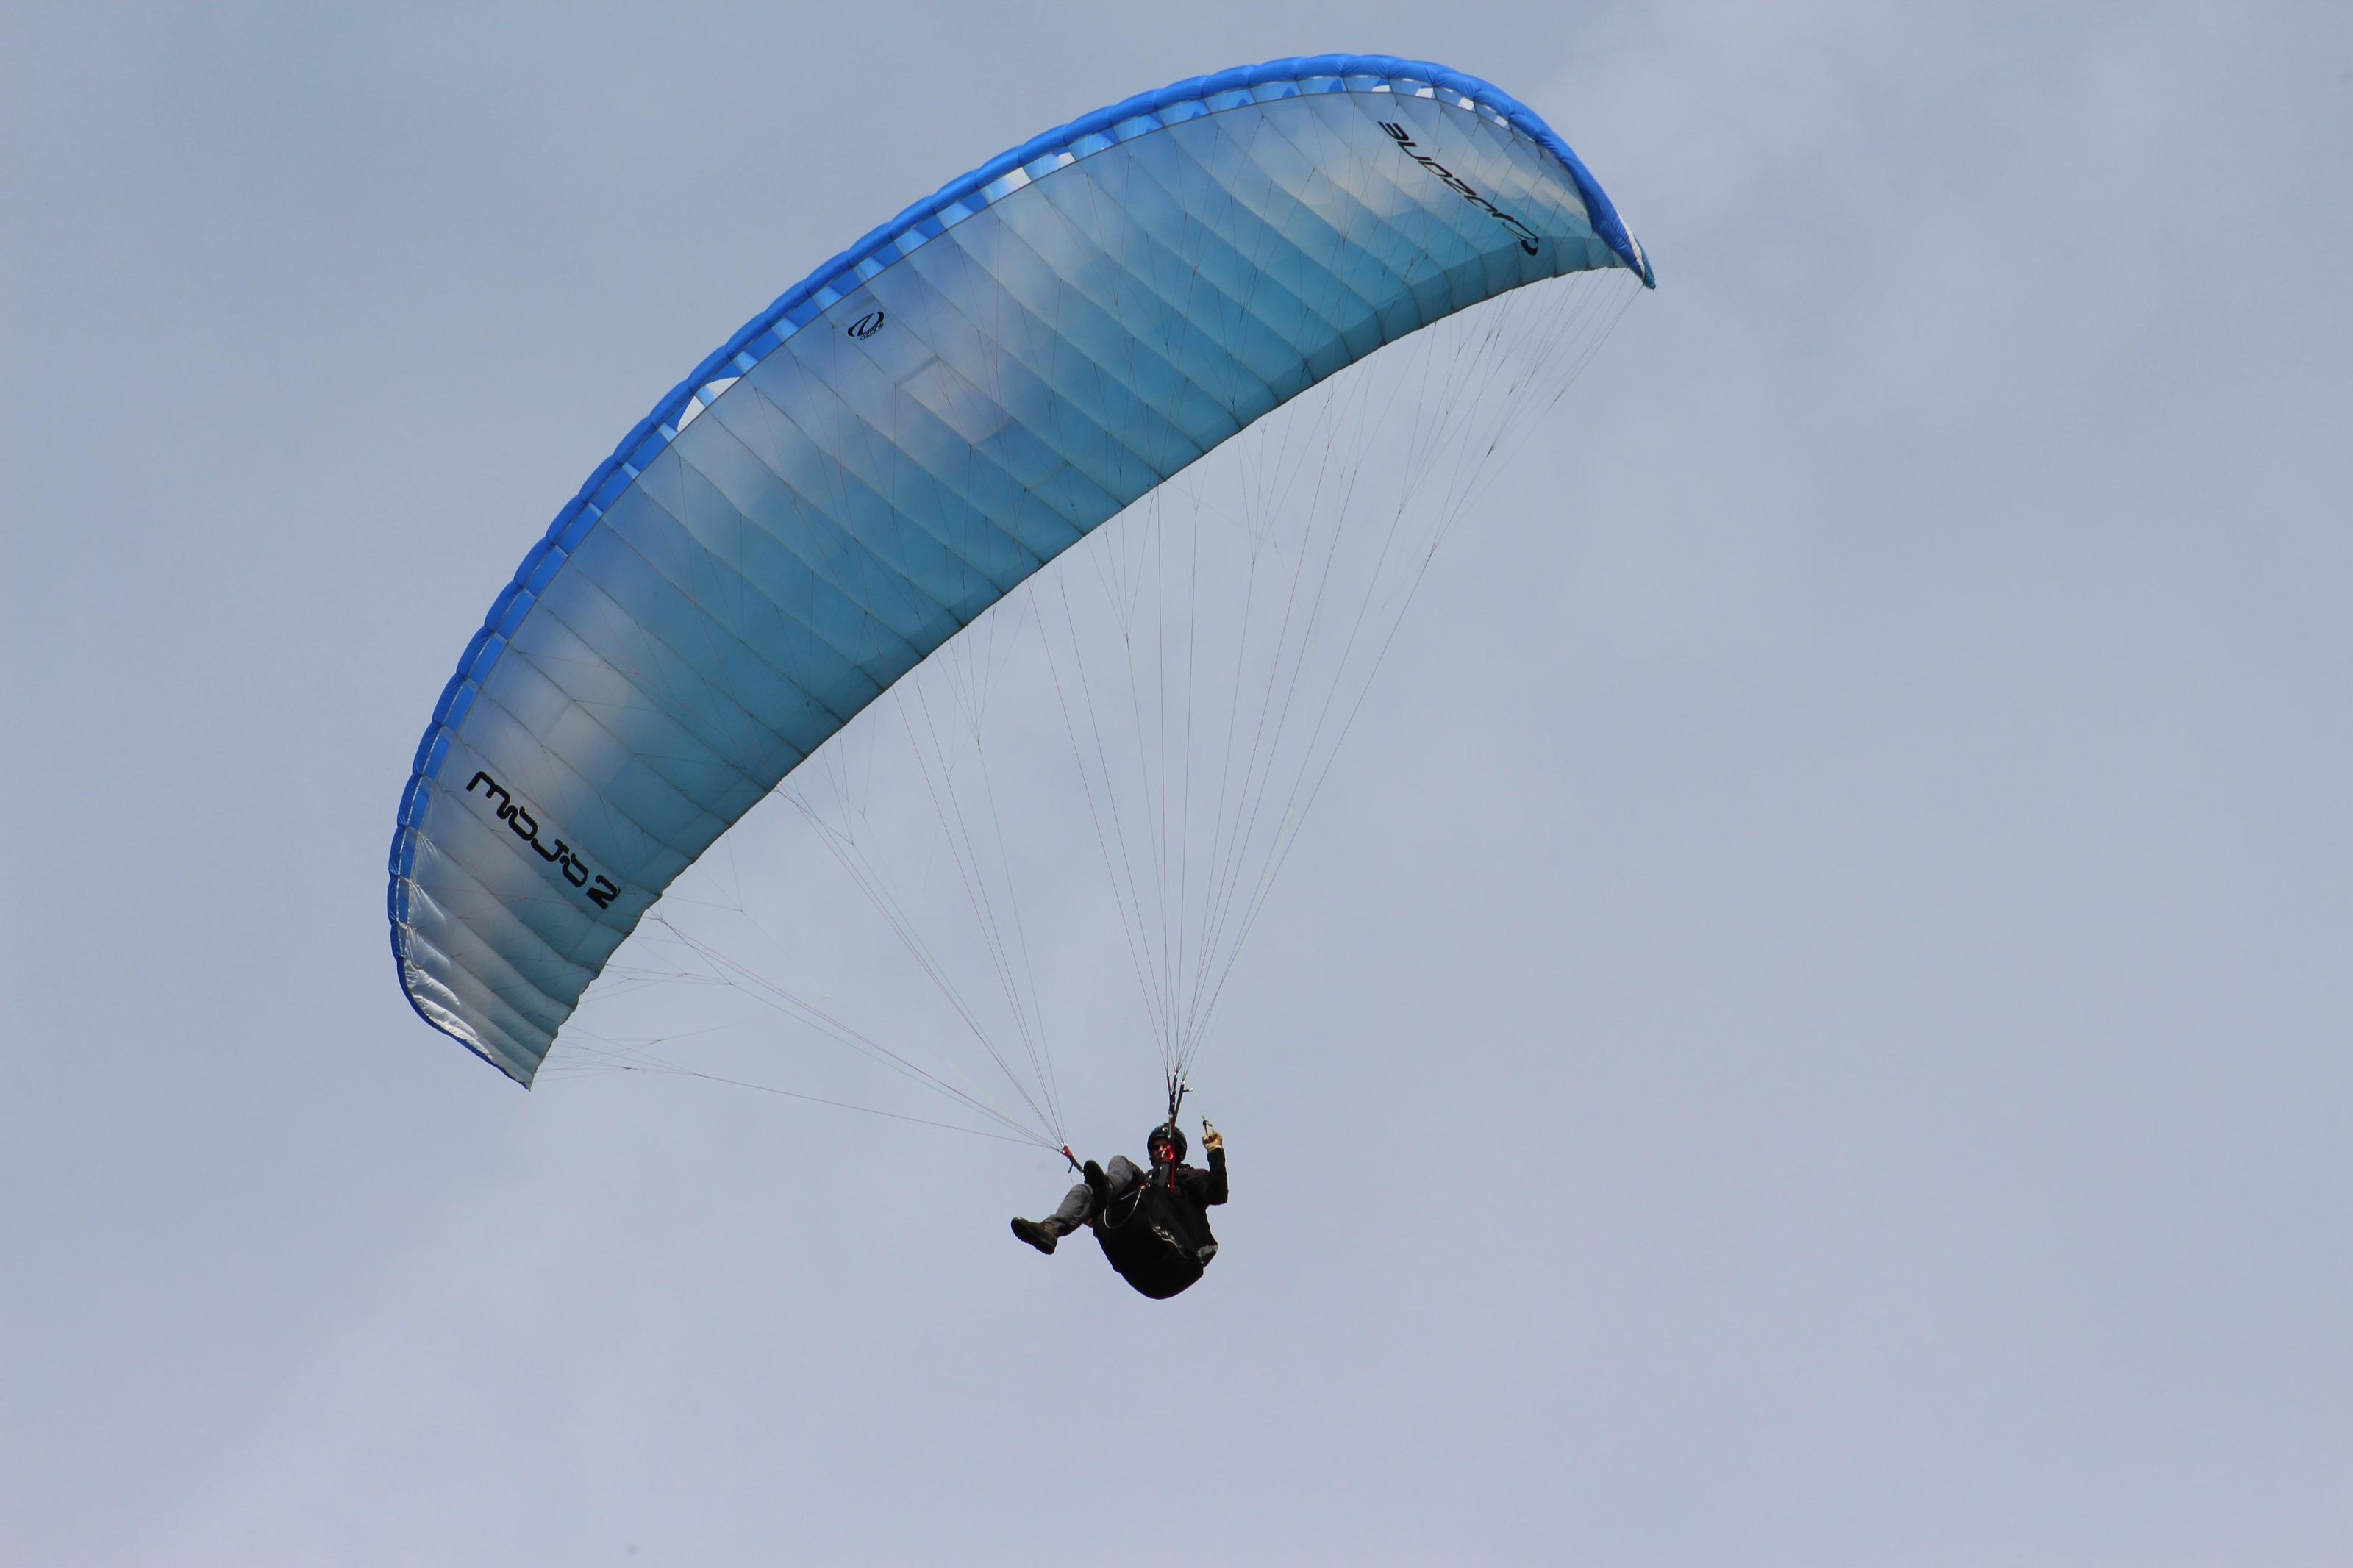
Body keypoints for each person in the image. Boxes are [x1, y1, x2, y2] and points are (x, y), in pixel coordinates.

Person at [1011, 1120, 1227, 1298]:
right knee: (1086, 1189)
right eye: (1156, 1147)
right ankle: (1050, 1230)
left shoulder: (1189, 1176)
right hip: (1141, 1255)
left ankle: (1107, 1190)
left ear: (1178, 1152)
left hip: (1178, 1250)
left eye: (1166, 1146)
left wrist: (1215, 1152)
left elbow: (1217, 1195)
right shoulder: (1146, 1186)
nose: (1161, 1149)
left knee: (1127, 1169)